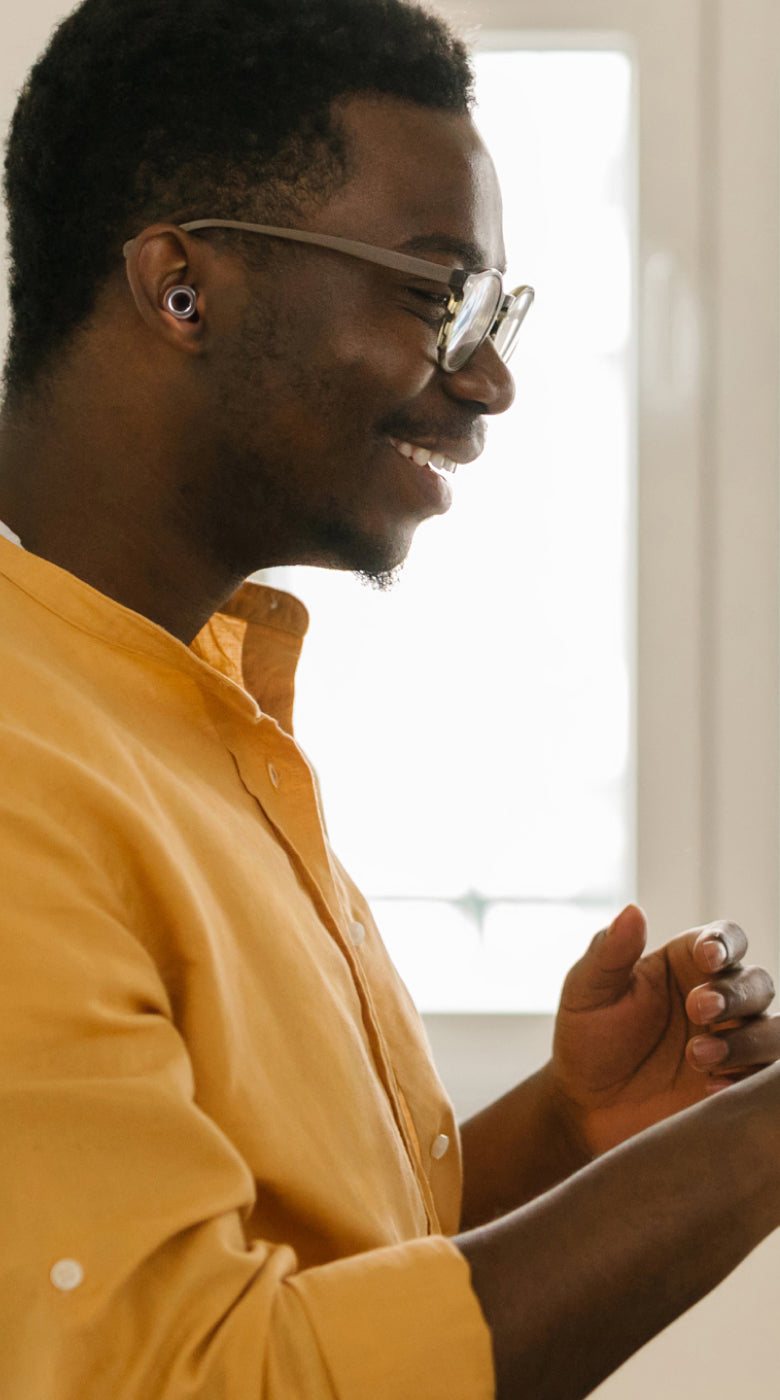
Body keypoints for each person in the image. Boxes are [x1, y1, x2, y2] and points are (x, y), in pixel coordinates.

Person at [0, 1, 778, 1396]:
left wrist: (570, 1134)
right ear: (182, 288)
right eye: (436, 296)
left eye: (492, 311)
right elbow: (197, 1377)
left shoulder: (178, 702)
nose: (490, 380)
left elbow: (292, 1265)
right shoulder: (20, 762)